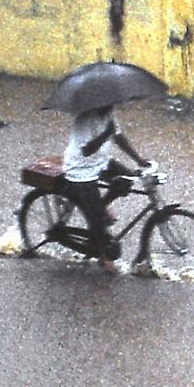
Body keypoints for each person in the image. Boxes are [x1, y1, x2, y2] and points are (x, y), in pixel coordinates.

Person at [62, 105, 149, 272]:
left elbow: (119, 137)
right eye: (109, 103)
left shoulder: (107, 116)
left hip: (101, 163)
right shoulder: (84, 119)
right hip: (80, 170)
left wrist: (138, 159)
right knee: (97, 219)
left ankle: (100, 206)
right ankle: (103, 258)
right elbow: (86, 150)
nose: (112, 106)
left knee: (126, 179)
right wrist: (105, 134)